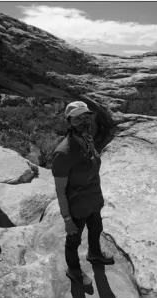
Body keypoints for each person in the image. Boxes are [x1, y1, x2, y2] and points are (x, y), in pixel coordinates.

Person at [51, 101, 114, 287]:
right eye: (78, 118)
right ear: (69, 121)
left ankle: (94, 253)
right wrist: (67, 219)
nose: (84, 121)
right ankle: (73, 270)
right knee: (73, 242)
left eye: (86, 117)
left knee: (96, 229)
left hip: (93, 199)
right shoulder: (63, 154)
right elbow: (60, 190)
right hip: (77, 206)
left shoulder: (88, 140)